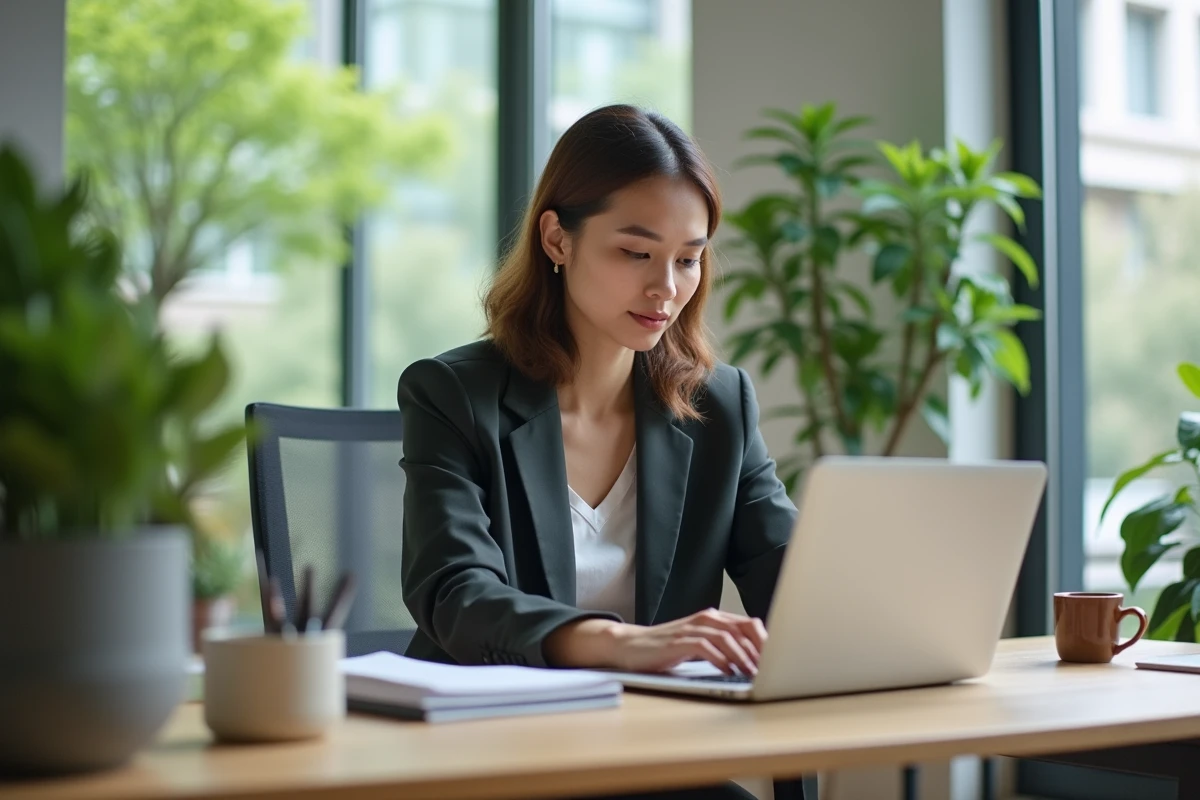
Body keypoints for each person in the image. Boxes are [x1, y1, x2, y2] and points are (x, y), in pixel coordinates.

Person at [397, 104, 802, 800]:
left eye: (688, 259)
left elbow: (792, 577)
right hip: (489, 759)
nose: (666, 288)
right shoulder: (453, 394)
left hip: (646, 755)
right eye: (635, 252)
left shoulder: (719, 407)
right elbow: (456, 594)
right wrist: (624, 645)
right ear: (558, 238)